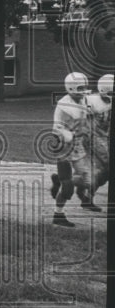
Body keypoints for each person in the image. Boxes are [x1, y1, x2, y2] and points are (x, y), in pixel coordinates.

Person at [50, 72, 99, 226]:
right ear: (71, 88)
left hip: (77, 144)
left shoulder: (83, 99)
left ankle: (59, 180)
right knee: (68, 188)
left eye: (84, 86)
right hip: (63, 145)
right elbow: (60, 130)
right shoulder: (65, 105)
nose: (83, 90)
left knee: (89, 180)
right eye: (80, 87)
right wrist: (68, 135)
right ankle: (58, 215)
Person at [83, 74, 112, 209]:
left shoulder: (107, 102)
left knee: (105, 172)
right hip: (93, 137)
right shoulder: (92, 100)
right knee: (107, 167)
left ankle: (86, 195)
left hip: (104, 137)